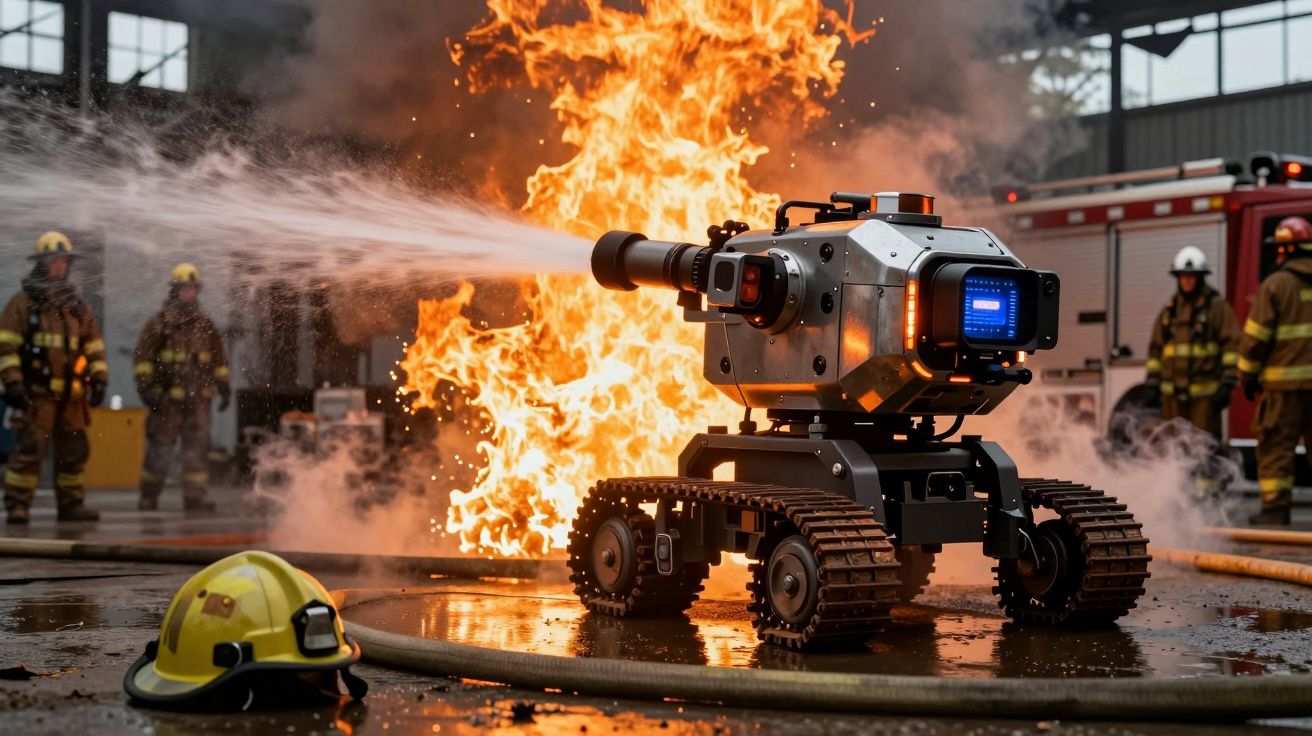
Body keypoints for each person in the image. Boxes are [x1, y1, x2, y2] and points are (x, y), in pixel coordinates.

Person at [0, 232, 107, 523]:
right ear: (40, 263)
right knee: (29, 451)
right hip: (37, 396)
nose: (59, 266)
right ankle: (18, 506)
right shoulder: (22, 304)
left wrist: (99, 379)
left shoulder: (76, 307)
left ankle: (71, 505)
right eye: (53, 260)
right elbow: (6, 345)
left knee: (73, 453)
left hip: (72, 398)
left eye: (63, 261)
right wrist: (12, 382)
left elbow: (93, 346)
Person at [1144, 245, 1241, 493]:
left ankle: (1210, 498)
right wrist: (1153, 382)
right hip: (1172, 398)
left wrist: (1228, 382)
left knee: (1206, 447)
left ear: (1200, 278)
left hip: (1205, 398)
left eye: (1192, 277)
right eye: (1183, 277)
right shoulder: (1169, 312)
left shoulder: (1217, 308)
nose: (1187, 281)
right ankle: (1179, 499)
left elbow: (1232, 345)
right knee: (1174, 448)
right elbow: (1156, 349)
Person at [134, 264, 230, 512]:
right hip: (168, 403)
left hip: (199, 402)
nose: (189, 293)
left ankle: (194, 497)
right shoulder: (160, 323)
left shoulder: (205, 324)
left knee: (196, 450)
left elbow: (219, 359)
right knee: (161, 450)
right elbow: (143, 359)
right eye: (184, 289)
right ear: (175, 291)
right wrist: (147, 389)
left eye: (192, 289)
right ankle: (149, 497)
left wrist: (224, 385)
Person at [1238, 215, 1312, 526]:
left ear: (1287, 249)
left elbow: (1256, 340)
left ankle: (1274, 512)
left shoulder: (1275, 285)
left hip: (1282, 391)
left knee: (1275, 448)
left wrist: (1247, 376)